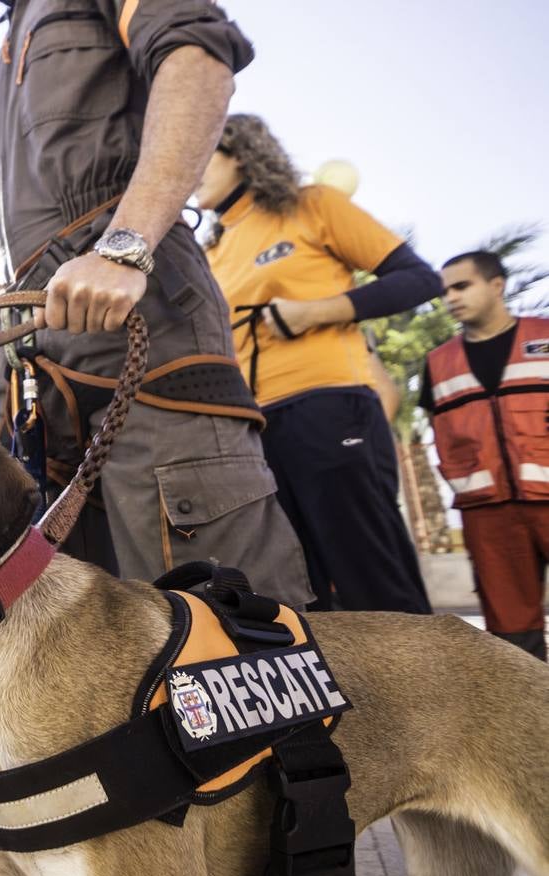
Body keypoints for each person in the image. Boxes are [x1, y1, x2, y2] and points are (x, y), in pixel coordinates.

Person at [0, 1, 312, 610]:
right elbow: (2, 234)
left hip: (146, 345)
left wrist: (125, 245)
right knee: (83, 646)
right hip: (34, 389)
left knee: (219, 634)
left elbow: (198, 59)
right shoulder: (3, 58)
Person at [193, 114, 437, 615]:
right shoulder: (210, 252)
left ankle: (434, 691)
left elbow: (418, 279)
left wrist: (315, 312)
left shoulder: (312, 206)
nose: (187, 167)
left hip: (327, 407)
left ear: (240, 153)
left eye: (201, 152)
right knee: (299, 592)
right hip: (251, 434)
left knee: (370, 577)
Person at [419, 251, 549, 659]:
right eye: (445, 291)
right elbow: (441, 434)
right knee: (511, 631)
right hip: (488, 513)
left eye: (462, 286)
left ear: (497, 285)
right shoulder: (438, 364)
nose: (452, 297)